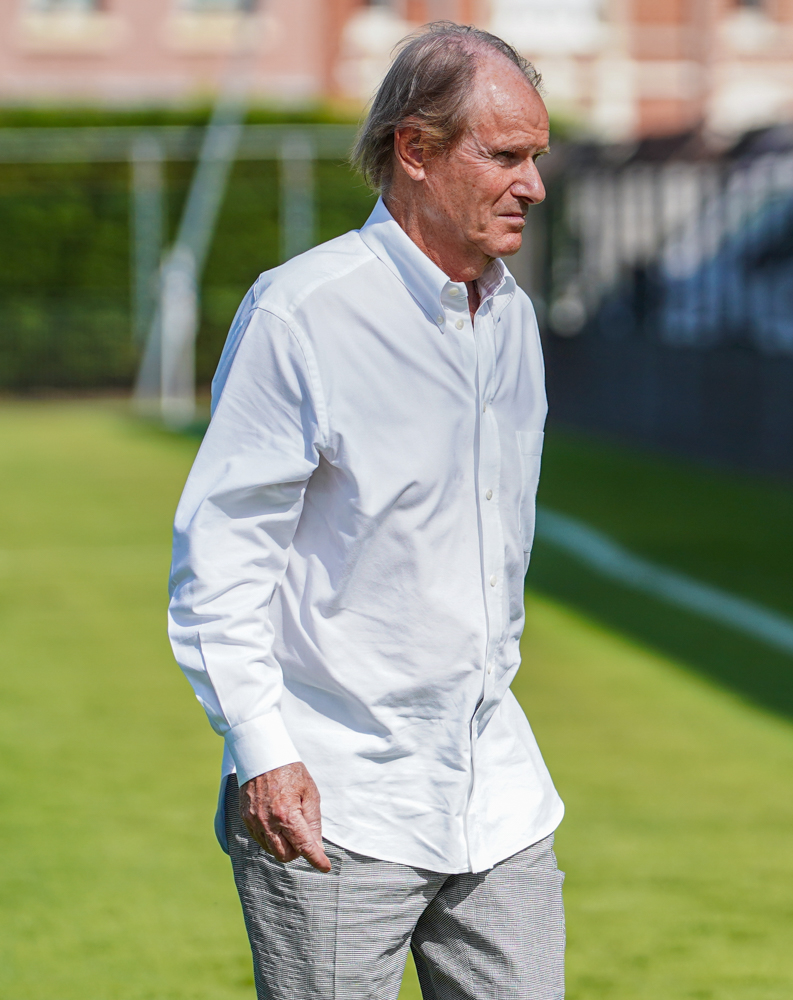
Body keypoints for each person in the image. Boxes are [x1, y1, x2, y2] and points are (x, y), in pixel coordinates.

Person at [167, 24, 562, 1000]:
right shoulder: (300, 314)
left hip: (497, 794)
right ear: (415, 149)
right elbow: (221, 560)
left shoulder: (514, 316)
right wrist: (263, 752)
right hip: (332, 801)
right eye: (505, 156)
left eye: (537, 157)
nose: (533, 185)